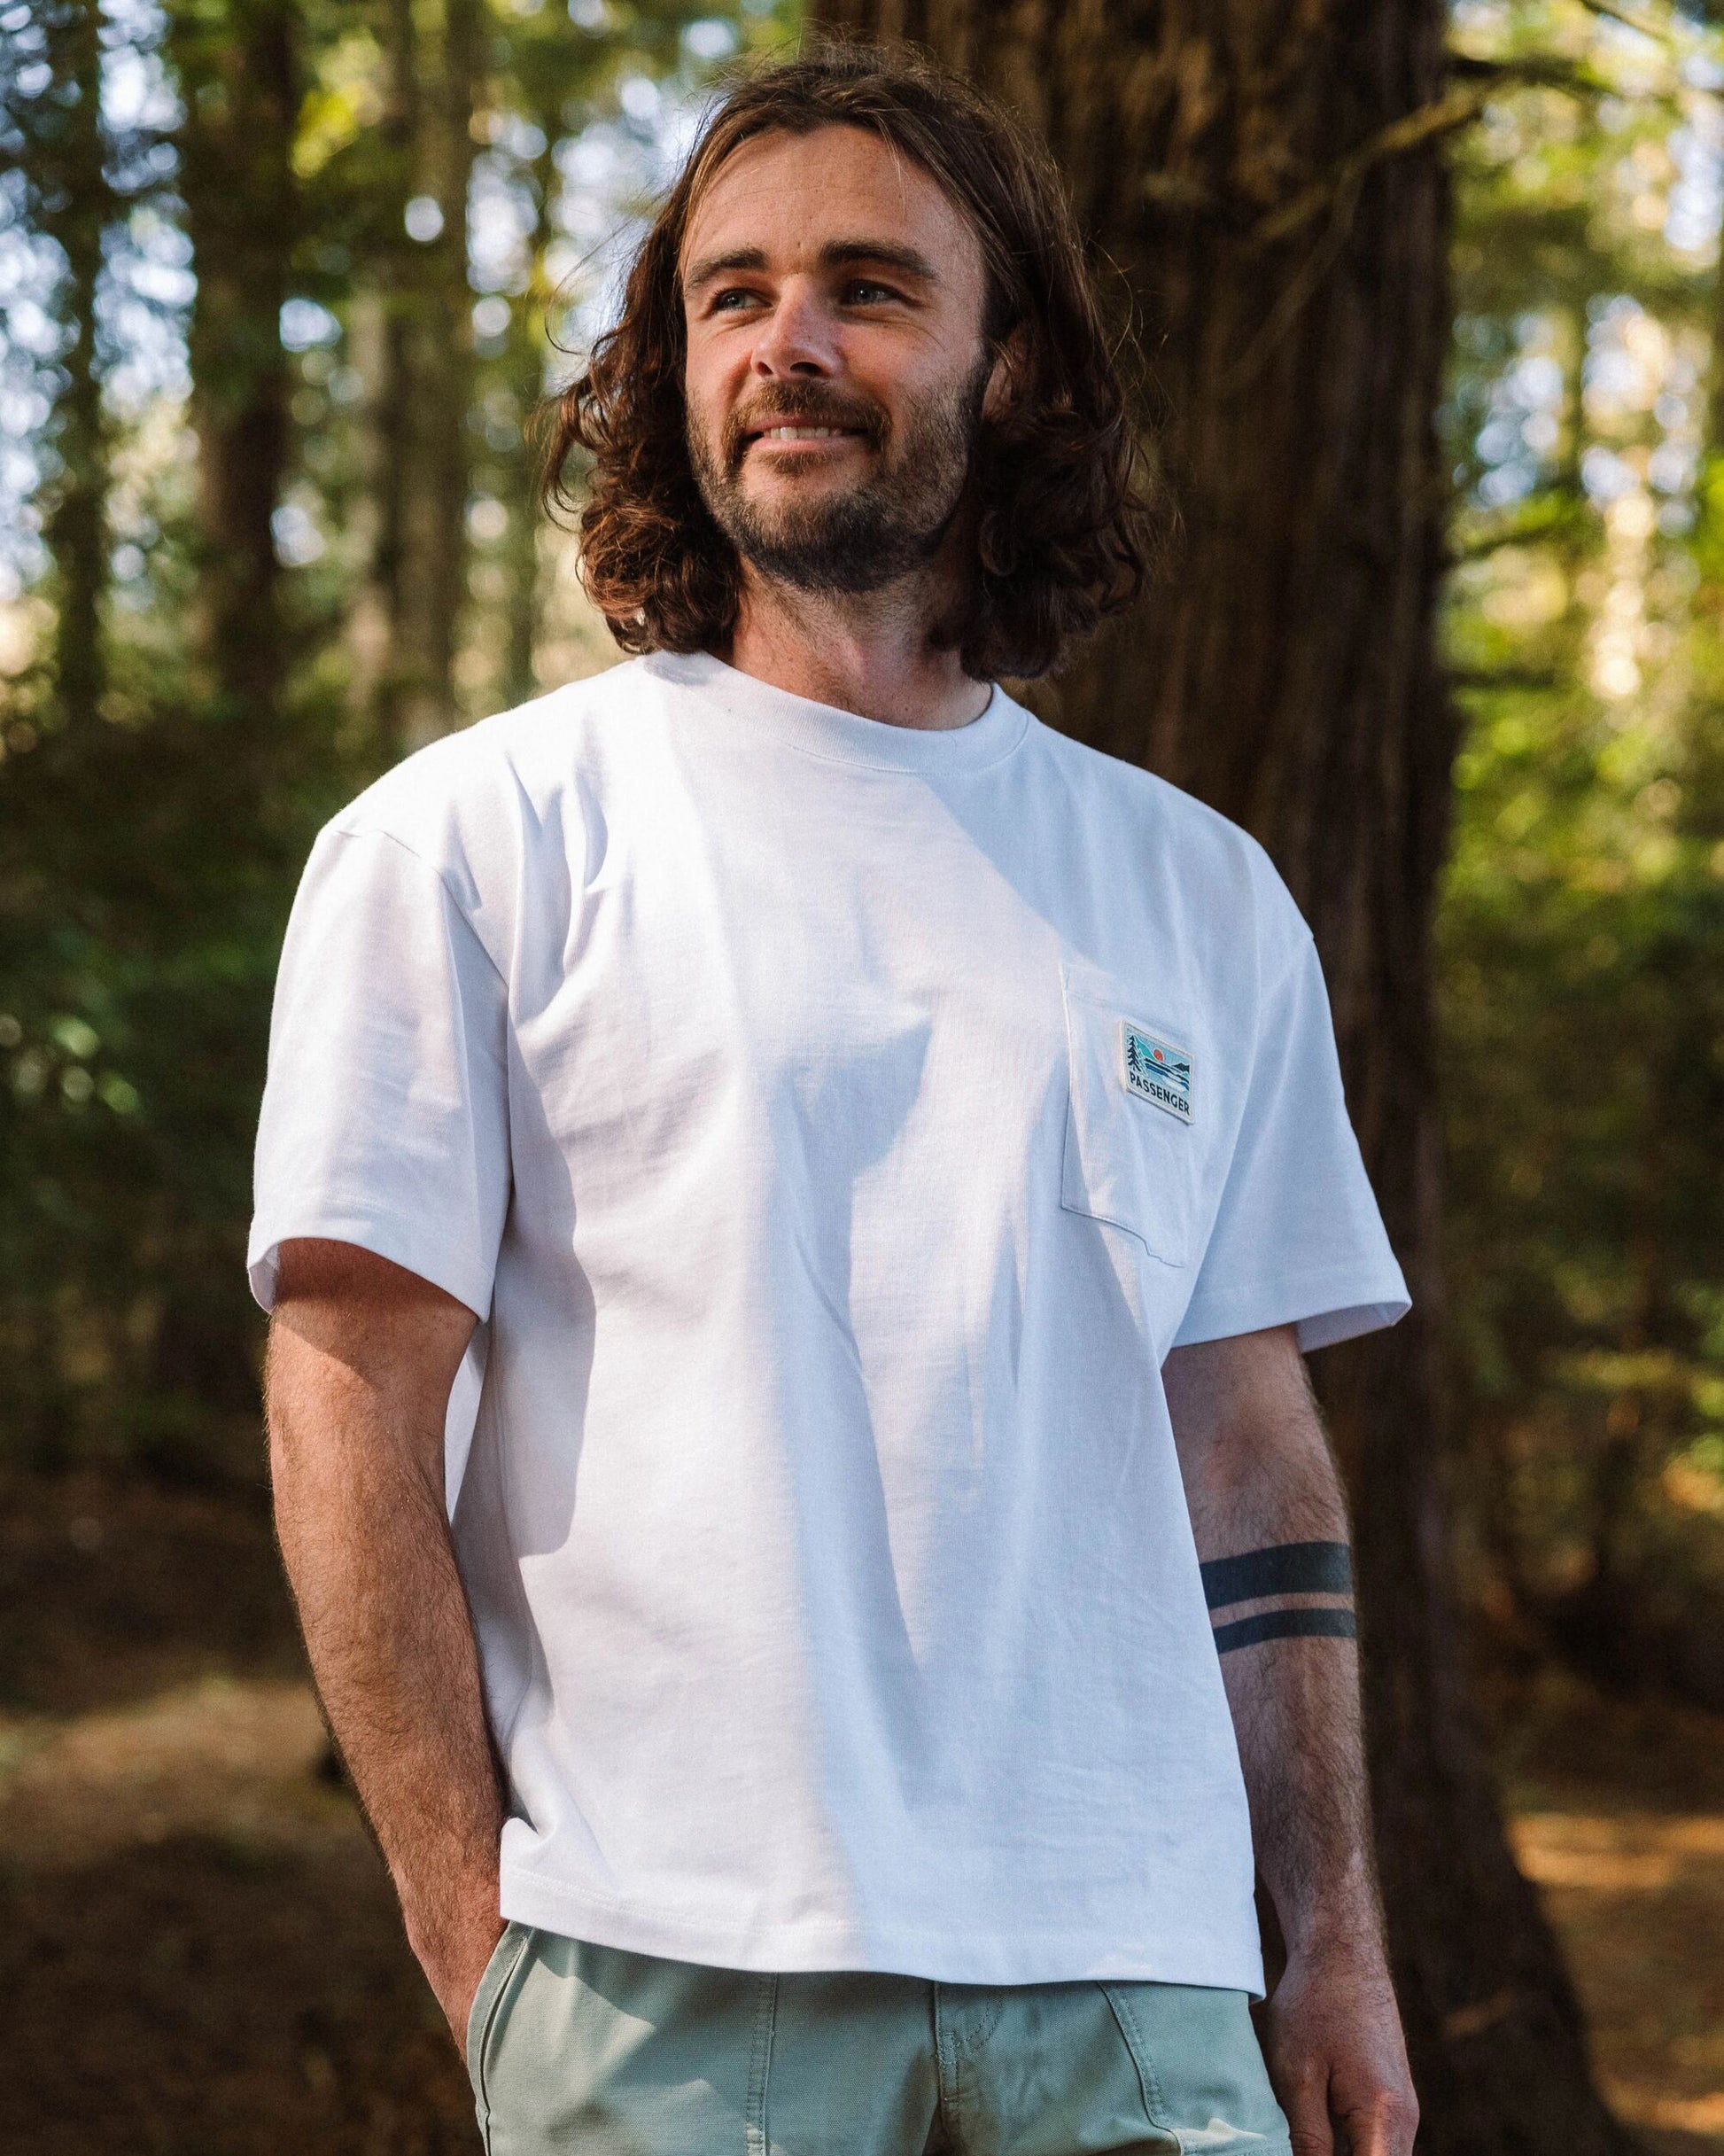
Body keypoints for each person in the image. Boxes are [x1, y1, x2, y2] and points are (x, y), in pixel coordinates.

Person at [252, 43, 1420, 2156]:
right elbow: (348, 1385)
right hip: (675, 1980)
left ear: (1015, 369)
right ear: (676, 366)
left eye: (868, 288)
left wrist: (1331, 1934)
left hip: (1144, 1985)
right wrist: (472, 1933)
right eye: (733, 293)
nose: (786, 341)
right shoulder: (475, 840)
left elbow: (1248, 1450)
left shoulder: (1196, 893)